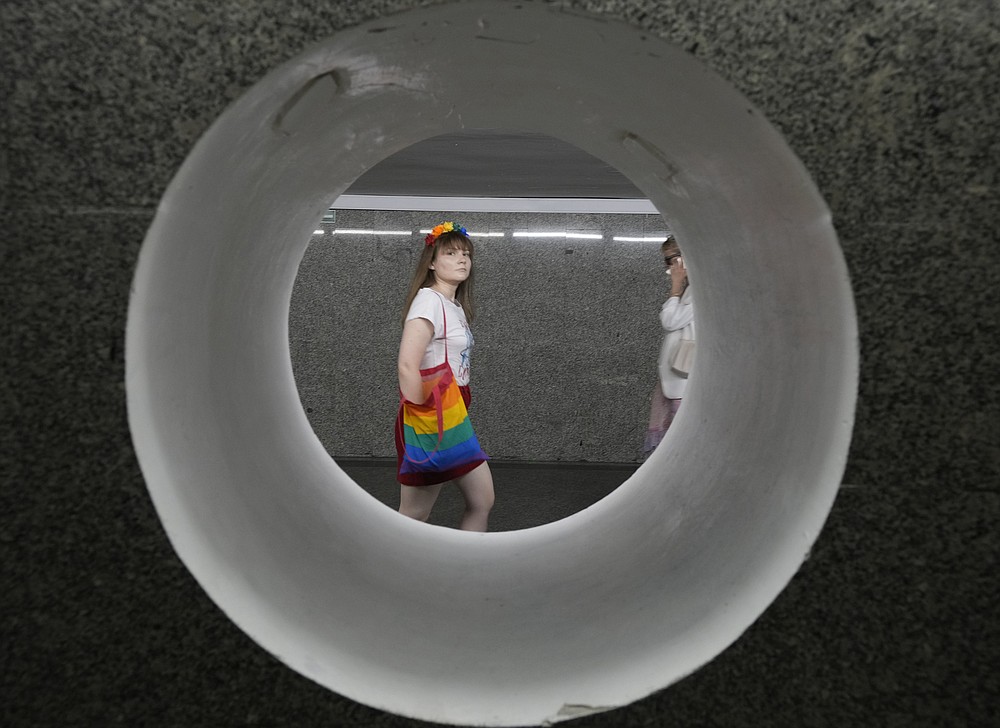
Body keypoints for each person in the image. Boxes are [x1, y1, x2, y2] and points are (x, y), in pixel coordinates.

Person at [394, 222, 495, 531]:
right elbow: (407, 366)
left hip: (454, 409)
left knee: (481, 500)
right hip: (432, 411)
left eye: (466, 254)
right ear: (433, 263)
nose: (462, 259)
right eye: (451, 253)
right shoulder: (429, 301)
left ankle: (467, 569)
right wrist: (424, 416)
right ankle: (383, 571)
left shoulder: (454, 305)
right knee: (414, 514)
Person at [642, 236, 694, 459]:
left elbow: (670, 321)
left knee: (679, 445)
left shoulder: (700, 291)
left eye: (670, 260)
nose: (667, 268)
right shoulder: (691, 290)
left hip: (684, 382)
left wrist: (674, 289)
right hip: (678, 378)